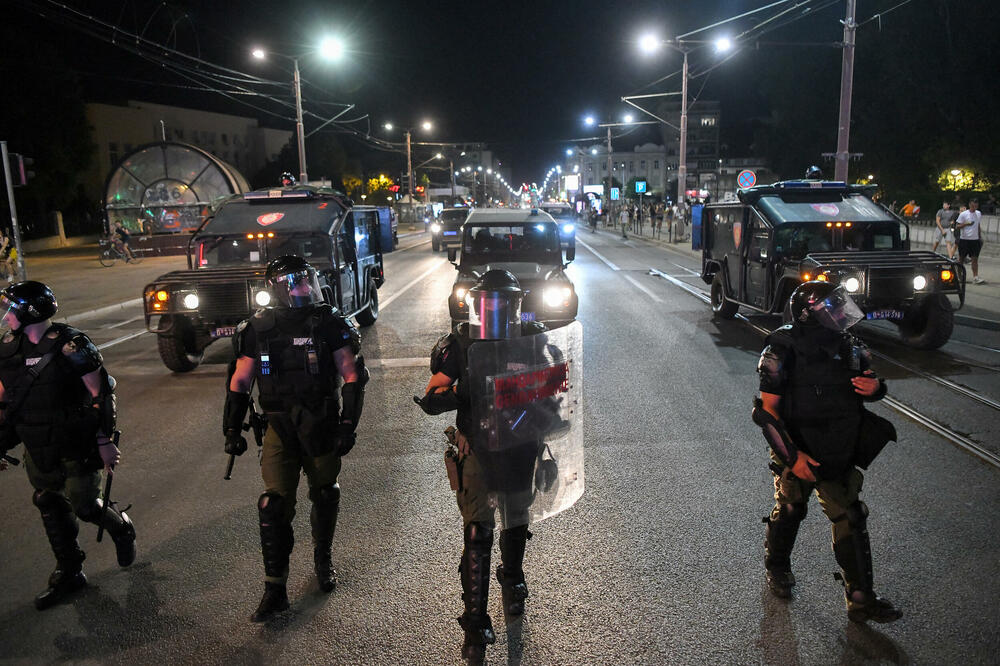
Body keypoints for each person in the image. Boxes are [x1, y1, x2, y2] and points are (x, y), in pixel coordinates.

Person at [414, 270, 553, 664]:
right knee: (478, 531)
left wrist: (544, 404)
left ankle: (512, 578)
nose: (494, 311)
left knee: (516, 518)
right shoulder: (460, 343)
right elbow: (432, 395)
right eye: (487, 303)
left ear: (515, 305)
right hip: (476, 444)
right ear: (475, 304)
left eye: (501, 303)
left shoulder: (531, 337)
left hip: (520, 443)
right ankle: (474, 625)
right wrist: (461, 391)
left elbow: (555, 387)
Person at [225, 255, 368, 622]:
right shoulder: (257, 328)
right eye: (294, 282)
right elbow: (241, 380)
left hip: (320, 422)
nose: (303, 287)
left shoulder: (329, 321)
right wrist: (231, 428)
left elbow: (352, 374)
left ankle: (323, 557)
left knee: (324, 493)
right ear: (276, 288)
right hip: (278, 426)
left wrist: (347, 425)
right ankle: (275, 589)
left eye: (306, 280)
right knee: (273, 505)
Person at [754, 281, 901, 623]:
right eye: (830, 308)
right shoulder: (780, 348)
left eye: (839, 306)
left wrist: (877, 387)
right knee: (791, 508)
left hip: (838, 445)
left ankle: (861, 597)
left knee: (850, 516)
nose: (839, 314)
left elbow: (871, 386)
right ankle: (777, 567)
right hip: (795, 445)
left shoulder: (849, 346)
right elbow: (766, 411)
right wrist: (793, 457)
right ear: (808, 314)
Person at [0, 281, 135, 610]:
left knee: (84, 504)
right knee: (48, 500)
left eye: (11, 308)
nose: (6, 316)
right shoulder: (6, 348)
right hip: (37, 444)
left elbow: (100, 393)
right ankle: (70, 571)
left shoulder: (71, 345)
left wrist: (104, 440)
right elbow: (5, 400)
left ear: (29, 311)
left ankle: (121, 528)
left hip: (77, 441)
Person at [955, 199, 986, 284]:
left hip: (975, 240)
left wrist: (979, 237)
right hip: (964, 239)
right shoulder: (964, 214)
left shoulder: (978, 213)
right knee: (961, 258)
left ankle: (975, 277)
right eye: (973, 206)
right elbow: (957, 226)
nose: (974, 207)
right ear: (969, 205)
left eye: (976, 206)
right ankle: (959, 276)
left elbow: (978, 225)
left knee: (974, 259)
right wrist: (966, 224)